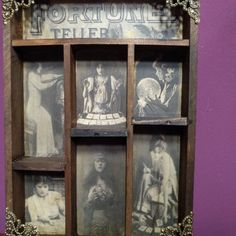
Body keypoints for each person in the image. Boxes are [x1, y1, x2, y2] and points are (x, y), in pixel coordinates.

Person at [134, 136, 178, 230]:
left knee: (150, 193)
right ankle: (143, 211)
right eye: (154, 150)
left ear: (162, 149)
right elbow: (156, 174)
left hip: (168, 186)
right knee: (146, 177)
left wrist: (165, 209)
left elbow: (165, 183)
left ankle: (155, 213)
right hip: (159, 183)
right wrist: (149, 171)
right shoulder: (156, 158)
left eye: (157, 150)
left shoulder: (165, 158)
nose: (154, 153)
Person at [25, 63, 62, 157]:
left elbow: (45, 77)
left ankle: (49, 149)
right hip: (32, 107)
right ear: (35, 67)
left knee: (48, 118)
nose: (41, 68)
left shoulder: (37, 75)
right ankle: (42, 151)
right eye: (39, 66)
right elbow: (41, 86)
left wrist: (57, 76)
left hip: (38, 107)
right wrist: (53, 82)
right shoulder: (31, 75)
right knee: (42, 123)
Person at [83, 153, 115, 235]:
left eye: (102, 161)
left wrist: (110, 196)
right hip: (92, 217)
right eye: (97, 161)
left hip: (107, 216)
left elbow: (115, 202)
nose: (100, 164)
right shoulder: (88, 180)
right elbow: (84, 204)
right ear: (94, 163)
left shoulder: (111, 179)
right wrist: (89, 199)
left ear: (106, 163)